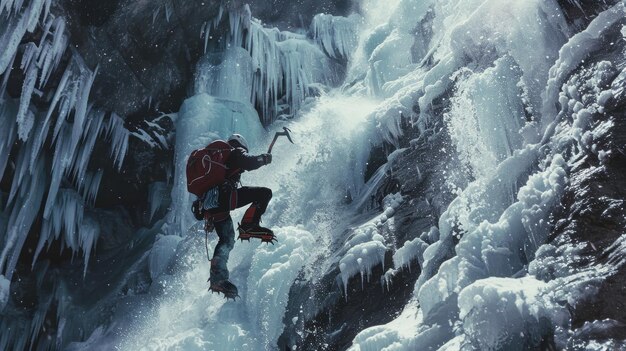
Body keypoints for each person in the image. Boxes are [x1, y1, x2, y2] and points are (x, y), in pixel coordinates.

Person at [194, 134, 274, 299]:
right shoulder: (234, 151)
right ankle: (248, 226)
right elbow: (248, 162)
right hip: (226, 197)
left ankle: (217, 279)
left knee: (227, 239)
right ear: (241, 145)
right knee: (264, 193)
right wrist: (263, 159)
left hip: (213, 205)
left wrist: (209, 217)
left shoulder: (218, 162)